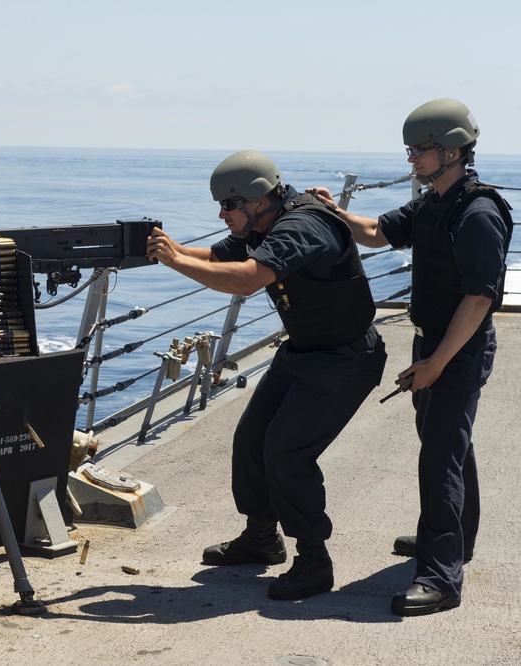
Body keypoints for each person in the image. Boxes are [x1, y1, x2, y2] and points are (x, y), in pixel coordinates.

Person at [147, 150, 387, 601]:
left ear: (258, 199)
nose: (222, 215)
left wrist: (175, 262)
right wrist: (168, 247)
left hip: (345, 359)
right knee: (252, 436)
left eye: (228, 206)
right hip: (304, 350)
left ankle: (315, 561)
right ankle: (261, 537)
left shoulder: (302, 226)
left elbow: (244, 279)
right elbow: (220, 256)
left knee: (287, 450)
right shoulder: (262, 223)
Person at [308, 98, 513, 616]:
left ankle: (442, 576)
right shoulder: (431, 203)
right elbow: (378, 233)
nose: (412, 159)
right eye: (411, 150)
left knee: (439, 457)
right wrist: (331, 211)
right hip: (434, 344)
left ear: (452, 152)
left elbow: (480, 297)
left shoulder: (478, 211)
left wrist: (439, 362)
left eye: (420, 150)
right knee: (449, 447)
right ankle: (456, 541)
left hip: (457, 350)